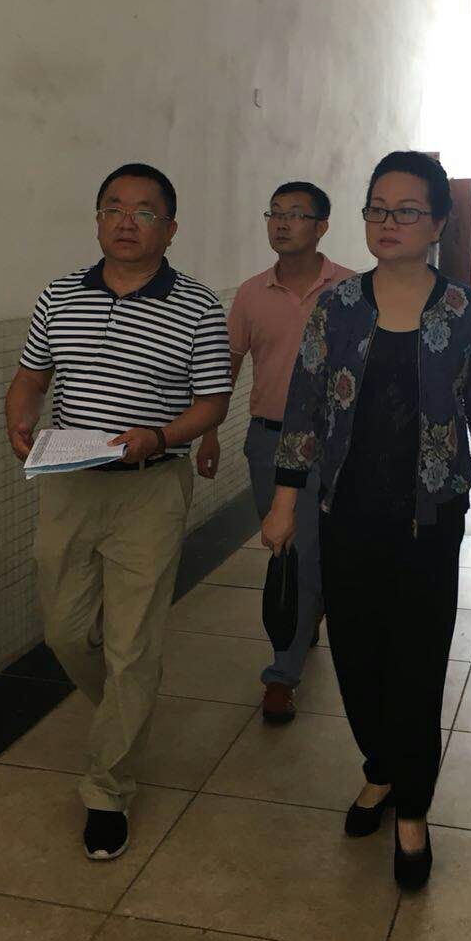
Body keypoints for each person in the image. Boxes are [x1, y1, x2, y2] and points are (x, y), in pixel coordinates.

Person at [262, 151, 471, 891]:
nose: (389, 222)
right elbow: (305, 406)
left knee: (417, 661)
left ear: (438, 223)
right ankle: (379, 767)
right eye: (377, 208)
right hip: (346, 512)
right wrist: (283, 500)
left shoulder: (465, 311)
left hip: (430, 521)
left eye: (407, 211)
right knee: (355, 655)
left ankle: (412, 808)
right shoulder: (338, 308)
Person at [5, 164, 232, 859]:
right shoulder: (59, 296)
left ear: (171, 227)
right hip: (69, 482)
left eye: (144, 210)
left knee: (133, 645)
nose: (127, 221)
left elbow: (212, 402)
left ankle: (107, 789)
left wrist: (160, 436)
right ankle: (128, 705)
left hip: (149, 487)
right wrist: (18, 416)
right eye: (113, 208)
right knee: (66, 632)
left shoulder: (198, 306)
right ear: (98, 219)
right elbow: (32, 377)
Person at [196, 182, 353, 722]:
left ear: (322, 226)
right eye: (275, 213)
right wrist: (210, 431)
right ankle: (303, 618)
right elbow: (226, 368)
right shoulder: (250, 294)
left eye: (296, 214)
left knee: (311, 547)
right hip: (270, 439)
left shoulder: (352, 290)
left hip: (336, 443)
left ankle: (282, 674)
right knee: (286, 546)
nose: (282, 223)